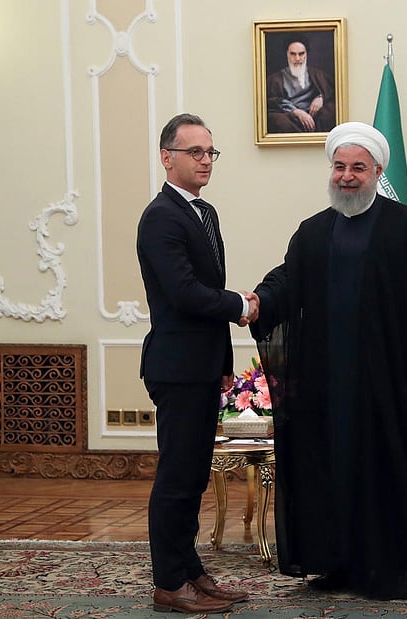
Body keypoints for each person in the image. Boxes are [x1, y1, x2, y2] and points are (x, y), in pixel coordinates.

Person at [248, 122, 407, 600]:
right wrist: (259, 301)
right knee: (333, 466)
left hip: (388, 381)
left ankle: (387, 567)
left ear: (377, 171)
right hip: (327, 380)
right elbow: (288, 281)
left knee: (382, 469)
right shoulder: (313, 231)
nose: (346, 176)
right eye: (339, 166)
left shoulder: (405, 227)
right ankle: (335, 561)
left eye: (357, 168)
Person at [136, 113, 257, 614]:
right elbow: (185, 294)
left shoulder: (204, 213)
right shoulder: (161, 216)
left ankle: (190, 571)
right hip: (177, 367)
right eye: (195, 153)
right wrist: (240, 306)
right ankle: (169, 583)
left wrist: (224, 361)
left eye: (210, 153)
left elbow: (204, 295)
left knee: (193, 477)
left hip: (203, 365)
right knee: (177, 479)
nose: (206, 161)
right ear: (168, 157)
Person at [266, 35, 336, 133]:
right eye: (293, 54)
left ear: (306, 54)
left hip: (314, 115)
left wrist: (321, 98)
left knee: (330, 112)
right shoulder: (275, 79)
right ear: (287, 54)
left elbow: (333, 92)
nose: (297, 58)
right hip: (289, 116)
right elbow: (272, 101)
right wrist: (296, 112)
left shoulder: (318, 75)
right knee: (279, 121)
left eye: (301, 54)